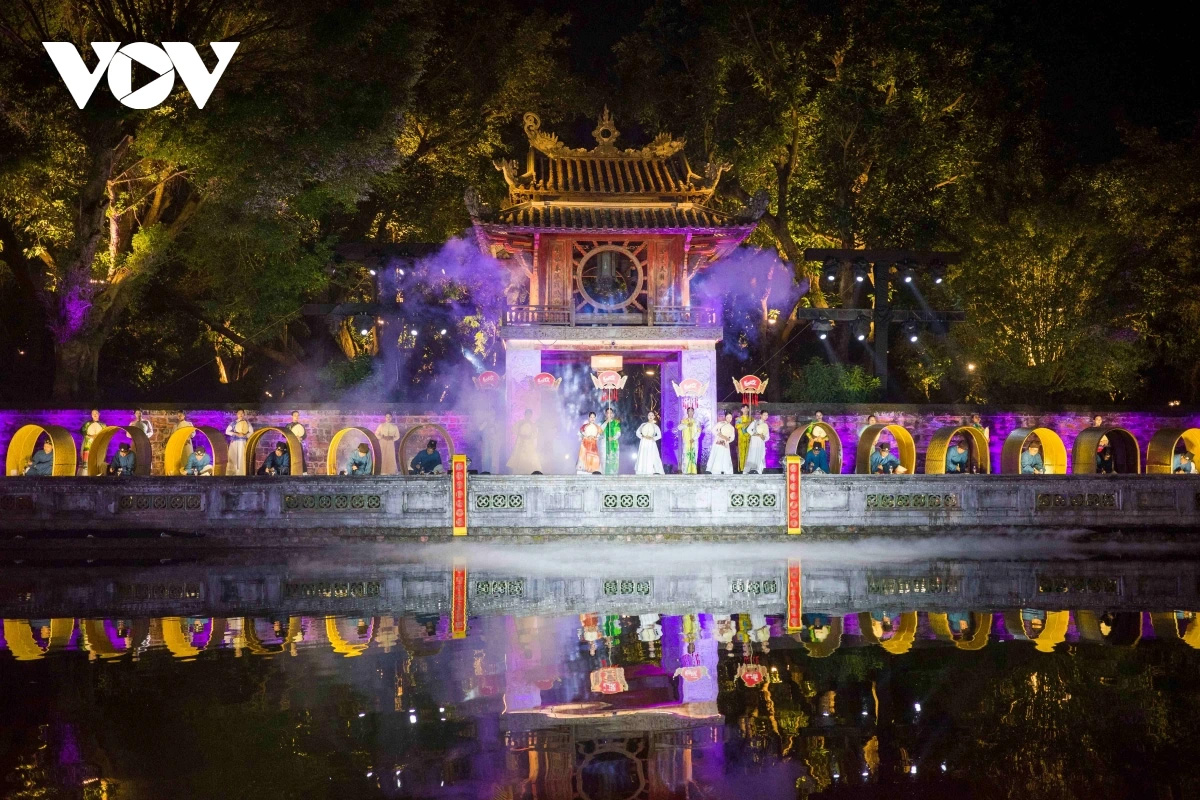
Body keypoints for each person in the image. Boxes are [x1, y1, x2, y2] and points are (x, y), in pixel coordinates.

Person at [507, 408, 542, 475]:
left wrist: (529, 436)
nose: (528, 415)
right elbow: (513, 429)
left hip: (529, 444)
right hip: (520, 443)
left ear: (531, 415)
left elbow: (535, 434)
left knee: (529, 458)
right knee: (519, 459)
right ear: (525, 414)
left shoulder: (532, 424)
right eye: (527, 414)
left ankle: (528, 473)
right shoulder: (520, 422)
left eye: (530, 414)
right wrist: (520, 434)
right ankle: (518, 474)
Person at [635, 410, 664, 475]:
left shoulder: (655, 426)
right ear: (647, 416)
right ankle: (642, 471)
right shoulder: (643, 424)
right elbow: (637, 432)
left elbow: (659, 435)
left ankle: (652, 470)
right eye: (649, 415)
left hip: (651, 443)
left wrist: (653, 438)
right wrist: (642, 437)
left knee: (652, 455)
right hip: (644, 442)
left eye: (652, 415)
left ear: (654, 417)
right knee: (643, 455)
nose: (650, 416)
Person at [225, 410, 253, 476]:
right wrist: (236, 434)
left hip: (242, 442)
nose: (241, 415)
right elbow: (227, 431)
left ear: (244, 414)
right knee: (233, 456)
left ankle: (241, 473)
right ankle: (232, 473)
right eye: (239, 413)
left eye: (242, 413)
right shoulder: (233, 423)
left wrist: (245, 435)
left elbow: (251, 432)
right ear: (237, 414)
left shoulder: (247, 423)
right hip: (234, 442)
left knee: (241, 457)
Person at [743, 409, 770, 474]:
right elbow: (748, 430)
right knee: (752, 454)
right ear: (761, 415)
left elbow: (767, 436)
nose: (765, 416)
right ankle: (749, 471)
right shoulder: (755, 422)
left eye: (767, 415)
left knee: (760, 455)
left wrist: (763, 437)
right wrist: (756, 434)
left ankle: (759, 471)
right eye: (764, 415)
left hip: (761, 442)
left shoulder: (765, 425)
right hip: (754, 441)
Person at [79, 409, 104, 475]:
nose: (95, 415)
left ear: (99, 414)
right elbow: (83, 432)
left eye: (96, 413)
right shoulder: (87, 424)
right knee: (87, 464)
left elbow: (105, 435)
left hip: (98, 447)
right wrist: (90, 436)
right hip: (88, 446)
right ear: (91, 415)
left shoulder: (103, 425)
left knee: (96, 462)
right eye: (93, 414)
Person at [679, 406, 700, 475]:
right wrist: (687, 425)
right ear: (687, 412)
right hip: (686, 442)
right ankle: (685, 471)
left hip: (694, 441)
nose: (690, 412)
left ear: (693, 412)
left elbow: (699, 431)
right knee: (686, 456)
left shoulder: (697, 421)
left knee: (694, 455)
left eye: (692, 411)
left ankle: (693, 470)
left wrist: (694, 439)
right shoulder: (683, 421)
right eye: (689, 411)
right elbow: (679, 427)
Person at [601, 407, 621, 475]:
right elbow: (600, 430)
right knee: (605, 460)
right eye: (608, 413)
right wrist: (606, 422)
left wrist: (613, 438)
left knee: (613, 459)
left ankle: (613, 474)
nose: (609, 414)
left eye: (611, 413)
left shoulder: (616, 422)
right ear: (605, 414)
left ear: (612, 414)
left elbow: (618, 433)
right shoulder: (603, 422)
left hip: (613, 444)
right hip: (605, 444)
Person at [736, 404, 752, 471]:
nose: (745, 410)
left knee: (749, 453)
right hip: (741, 439)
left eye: (746, 408)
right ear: (741, 410)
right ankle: (742, 468)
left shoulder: (751, 419)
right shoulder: (739, 419)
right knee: (742, 453)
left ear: (748, 409)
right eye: (744, 408)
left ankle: (748, 468)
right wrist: (746, 423)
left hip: (749, 438)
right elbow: (737, 426)